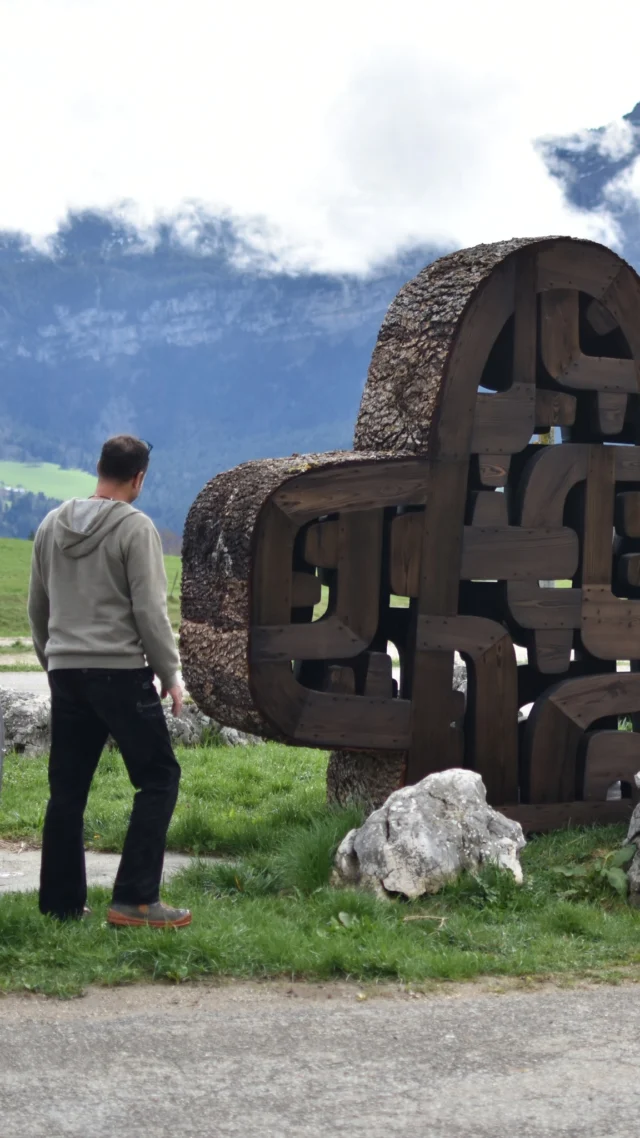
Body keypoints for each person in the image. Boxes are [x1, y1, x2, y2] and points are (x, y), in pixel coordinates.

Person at [28, 435, 192, 928]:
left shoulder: (50, 524)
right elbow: (150, 612)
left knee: (67, 790)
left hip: (65, 671)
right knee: (159, 777)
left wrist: (54, 662)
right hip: (119, 672)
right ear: (138, 478)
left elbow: (37, 609)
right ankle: (135, 901)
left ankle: (60, 905)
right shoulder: (135, 528)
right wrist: (170, 673)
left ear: (99, 468)